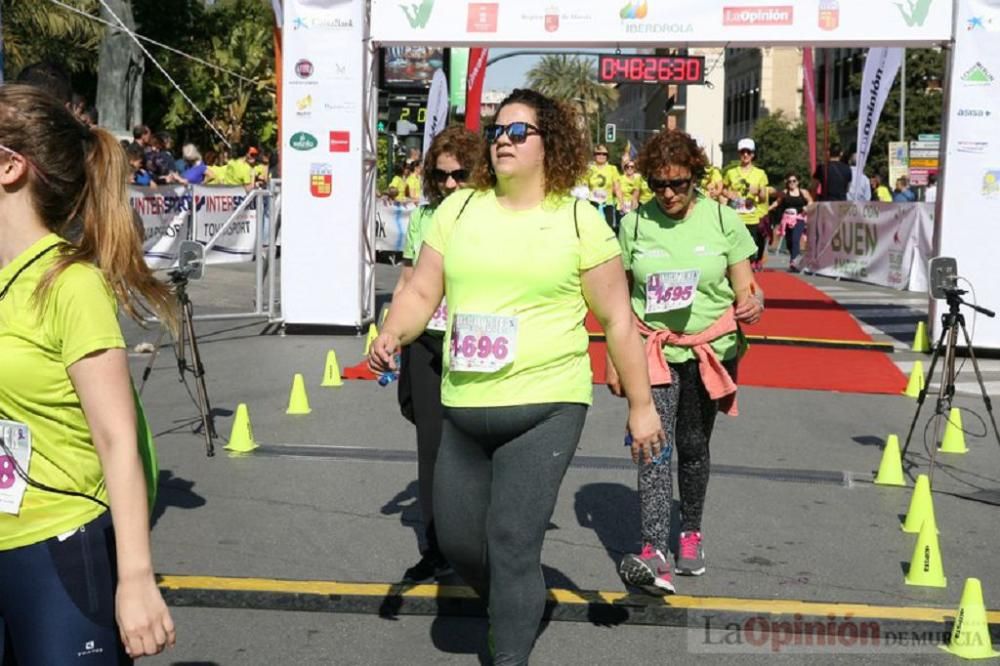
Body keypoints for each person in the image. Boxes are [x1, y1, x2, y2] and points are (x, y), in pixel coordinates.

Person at [370, 88, 664, 664]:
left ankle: (509, 650)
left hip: (547, 404)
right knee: (459, 543)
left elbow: (618, 319)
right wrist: (391, 331)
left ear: (547, 143)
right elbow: (423, 290)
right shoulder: (457, 211)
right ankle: (521, 592)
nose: (502, 139)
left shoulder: (580, 218)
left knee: (510, 540)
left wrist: (642, 404)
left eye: (517, 132)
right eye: (496, 131)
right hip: (465, 403)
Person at [0, 84, 176, 663]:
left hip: (58, 549)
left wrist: (137, 577)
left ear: (10, 167)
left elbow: (117, 439)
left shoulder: (70, 284)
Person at [610, 129, 762, 595]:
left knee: (693, 445)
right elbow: (617, 300)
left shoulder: (723, 221)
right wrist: (616, 361)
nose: (669, 194)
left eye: (678, 184)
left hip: (710, 350)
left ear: (696, 178)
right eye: (659, 185)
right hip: (652, 349)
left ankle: (690, 529)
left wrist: (753, 303)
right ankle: (654, 547)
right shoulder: (634, 225)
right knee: (652, 445)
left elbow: (746, 289)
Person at [390, 126, 484, 583]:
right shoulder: (423, 218)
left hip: (477, 347)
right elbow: (408, 282)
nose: (449, 184)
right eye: (442, 176)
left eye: (460, 175)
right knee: (431, 447)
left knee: (474, 448)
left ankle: (478, 540)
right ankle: (436, 547)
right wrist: (389, 335)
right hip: (428, 342)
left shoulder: (492, 216)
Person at [722, 138, 769, 271]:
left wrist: (758, 191)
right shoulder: (731, 172)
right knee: (734, 247)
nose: (745, 155)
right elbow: (723, 188)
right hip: (735, 216)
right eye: (743, 152)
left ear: (753, 154)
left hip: (751, 217)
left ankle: (749, 269)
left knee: (751, 249)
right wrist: (728, 194)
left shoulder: (760, 174)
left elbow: (763, 197)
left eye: (748, 152)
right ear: (739, 153)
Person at [768, 173, 813, 271]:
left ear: (798, 182)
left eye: (794, 181)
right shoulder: (785, 192)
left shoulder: (803, 192)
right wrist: (768, 208)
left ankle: (794, 262)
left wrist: (807, 207)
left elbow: (810, 201)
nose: (791, 183)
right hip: (787, 220)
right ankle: (794, 258)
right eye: (789, 181)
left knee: (795, 238)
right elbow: (777, 202)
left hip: (799, 218)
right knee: (789, 241)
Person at [586, 143, 623, 230]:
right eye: (598, 153)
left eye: (604, 154)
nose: (601, 156)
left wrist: (621, 202)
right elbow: (584, 187)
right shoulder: (589, 169)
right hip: (592, 204)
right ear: (594, 155)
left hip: (608, 205)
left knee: (607, 229)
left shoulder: (612, 169)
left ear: (607, 156)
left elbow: (617, 188)